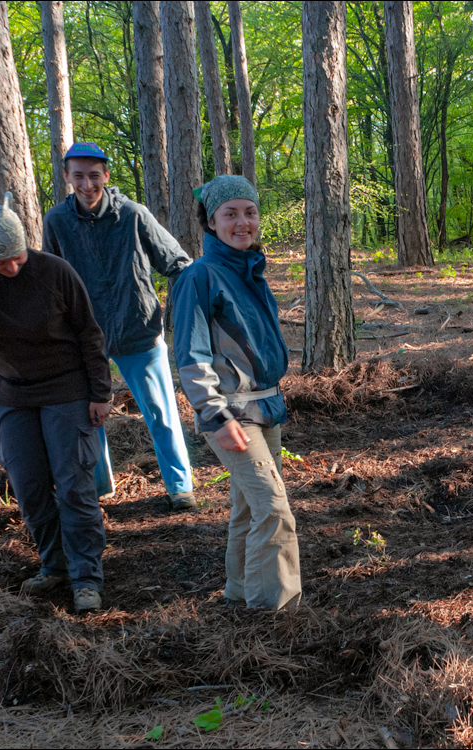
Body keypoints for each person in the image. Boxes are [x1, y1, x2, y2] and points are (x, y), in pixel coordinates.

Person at [0, 193, 112, 613]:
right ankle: (53, 566)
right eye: (2, 263)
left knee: (74, 485)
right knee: (29, 486)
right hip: (15, 396)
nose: (13, 267)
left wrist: (100, 393)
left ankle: (86, 576)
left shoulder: (55, 271)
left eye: (18, 257)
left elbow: (90, 334)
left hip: (67, 389)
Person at [42, 142, 198, 511]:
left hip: (138, 328)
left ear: (106, 176)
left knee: (161, 412)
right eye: (78, 175)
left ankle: (180, 486)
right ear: (67, 177)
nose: (86, 183)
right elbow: (50, 283)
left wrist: (203, 297)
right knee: (89, 417)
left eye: (94, 175)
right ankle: (99, 487)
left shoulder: (132, 214)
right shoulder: (57, 221)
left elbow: (176, 261)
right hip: (83, 338)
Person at [170, 175, 301, 610]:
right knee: (274, 510)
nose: (242, 222)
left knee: (248, 507)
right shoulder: (200, 277)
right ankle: (274, 615)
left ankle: (240, 593)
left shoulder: (251, 270)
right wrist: (215, 415)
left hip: (265, 406)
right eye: (231, 214)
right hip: (232, 414)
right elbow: (190, 354)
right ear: (210, 222)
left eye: (250, 212)